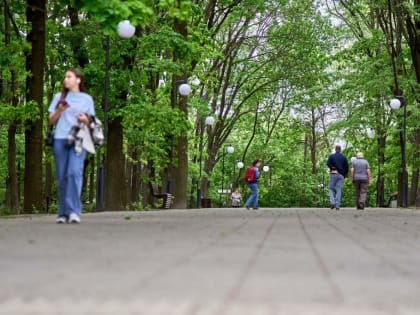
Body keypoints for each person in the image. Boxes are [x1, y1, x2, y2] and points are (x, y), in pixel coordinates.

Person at [48, 69, 95, 223]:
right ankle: (63, 213)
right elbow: (50, 121)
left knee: (74, 173)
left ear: (78, 80)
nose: (65, 79)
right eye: (65, 77)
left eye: (69, 77)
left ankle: (74, 211)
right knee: (62, 177)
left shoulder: (86, 99)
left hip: (78, 139)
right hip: (60, 139)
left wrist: (84, 119)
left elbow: (92, 122)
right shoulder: (59, 97)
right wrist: (59, 110)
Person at [326, 145, 349, 210]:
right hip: (341, 175)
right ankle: (337, 205)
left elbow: (328, 163)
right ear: (340, 150)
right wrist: (344, 175)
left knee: (330, 188)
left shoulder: (331, 156)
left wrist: (332, 167)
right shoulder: (344, 157)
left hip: (333, 173)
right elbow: (347, 167)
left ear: (335, 149)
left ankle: (332, 202)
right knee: (339, 189)